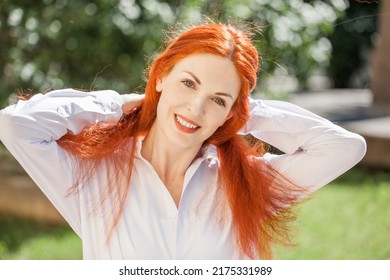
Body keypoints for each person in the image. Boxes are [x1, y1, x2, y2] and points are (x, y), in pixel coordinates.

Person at [0, 23, 366, 260]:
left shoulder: (247, 183)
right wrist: (116, 105)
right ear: (160, 76)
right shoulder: (93, 176)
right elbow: (17, 126)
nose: (195, 107)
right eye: (188, 83)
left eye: (218, 99)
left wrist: (243, 113)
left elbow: (344, 147)